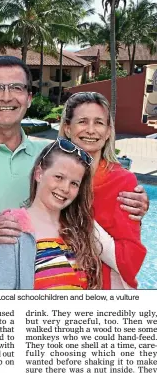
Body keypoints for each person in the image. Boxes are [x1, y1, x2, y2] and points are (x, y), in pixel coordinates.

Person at [0, 56, 149, 289]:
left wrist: (137, 199)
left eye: (16, 87)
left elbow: (87, 191)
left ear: (29, 98)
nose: (7, 96)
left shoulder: (47, 156)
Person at [59, 92, 146, 288]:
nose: (91, 130)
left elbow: (129, 260)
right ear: (67, 128)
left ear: (108, 132)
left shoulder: (122, 182)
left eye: (99, 123)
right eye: (82, 121)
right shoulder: (49, 177)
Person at [0, 139, 101, 289]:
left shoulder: (77, 230)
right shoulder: (12, 228)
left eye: (74, 183)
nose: (65, 188)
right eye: (59, 177)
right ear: (39, 173)